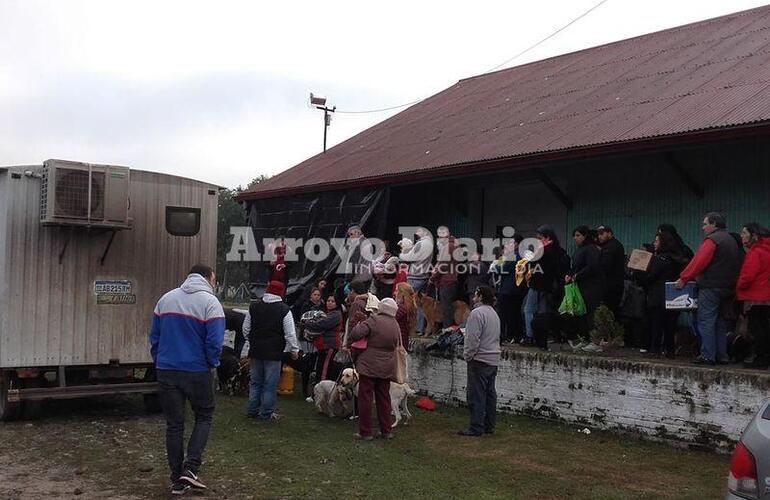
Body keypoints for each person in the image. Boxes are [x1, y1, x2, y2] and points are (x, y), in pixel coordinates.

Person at [149, 264, 225, 495]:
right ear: (207, 277)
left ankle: (176, 479)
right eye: (214, 278)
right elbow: (214, 342)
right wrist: (212, 363)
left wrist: (159, 359)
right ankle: (190, 468)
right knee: (204, 416)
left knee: (174, 424)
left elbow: (154, 336)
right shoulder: (211, 303)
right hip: (197, 370)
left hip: (166, 369)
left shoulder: (166, 299)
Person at [675, 212, 744, 365]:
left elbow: (699, 261)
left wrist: (683, 278)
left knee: (705, 321)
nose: (703, 227)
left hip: (711, 286)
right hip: (728, 288)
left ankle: (707, 355)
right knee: (719, 322)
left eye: (705, 224)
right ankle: (722, 355)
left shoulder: (712, 240)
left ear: (714, 224)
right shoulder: (731, 240)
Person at [243, 280, 300, 419]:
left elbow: (246, 328)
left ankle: (252, 411)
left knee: (255, 383)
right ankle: (266, 413)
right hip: (274, 353)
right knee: (270, 385)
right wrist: (294, 350)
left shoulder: (254, 306)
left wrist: (251, 341)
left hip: (256, 351)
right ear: (281, 292)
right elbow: (290, 333)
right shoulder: (284, 309)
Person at [349, 297, 400, 440]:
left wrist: (360, 324)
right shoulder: (395, 324)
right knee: (384, 399)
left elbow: (355, 334)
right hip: (387, 365)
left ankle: (365, 432)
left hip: (369, 364)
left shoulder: (374, 320)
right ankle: (386, 430)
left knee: (365, 398)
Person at [458, 285, 501, 437]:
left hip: (480, 358)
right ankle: (489, 425)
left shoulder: (477, 313)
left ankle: (476, 427)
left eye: (476, 295)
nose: (473, 297)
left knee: (477, 394)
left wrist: (468, 355)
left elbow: (472, 338)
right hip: (493, 358)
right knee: (490, 394)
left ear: (481, 296)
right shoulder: (494, 314)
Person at [637, 233, 684, 357]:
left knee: (656, 323)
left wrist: (639, 274)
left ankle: (655, 350)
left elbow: (651, 277)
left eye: (657, 241)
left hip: (658, 295)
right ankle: (670, 350)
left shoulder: (659, 259)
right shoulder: (677, 258)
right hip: (674, 296)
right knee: (670, 325)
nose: (654, 243)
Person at [523, 225, 570, 347]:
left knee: (528, 310)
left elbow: (532, 263)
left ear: (547, 237)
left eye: (539, 238)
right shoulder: (559, 250)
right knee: (544, 312)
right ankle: (545, 336)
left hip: (538, 284)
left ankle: (530, 336)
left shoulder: (543, 250)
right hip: (550, 286)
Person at [736, 223, 770, 369]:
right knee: (765, 327)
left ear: (754, 235)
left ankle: (760, 358)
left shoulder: (755, 252)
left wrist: (739, 287)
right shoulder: (767, 251)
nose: (741, 236)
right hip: (766, 296)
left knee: (756, 329)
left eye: (744, 233)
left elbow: (747, 276)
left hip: (755, 296)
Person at [566, 226, 605, 339]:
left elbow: (592, 266)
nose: (575, 238)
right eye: (574, 235)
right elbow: (575, 266)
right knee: (580, 312)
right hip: (580, 286)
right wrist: (569, 274)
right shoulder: (579, 249)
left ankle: (595, 340)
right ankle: (584, 337)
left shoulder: (591, 249)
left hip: (591, 286)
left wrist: (578, 275)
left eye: (578, 235)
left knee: (590, 312)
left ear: (585, 236)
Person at [400, 229, 434, 334]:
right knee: (421, 305)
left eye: (419, 230)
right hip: (424, 276)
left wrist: (401, 255)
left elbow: (410, 257)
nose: (416, 232)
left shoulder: (420, 243)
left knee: (409, 303)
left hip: (415, 276)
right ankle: (420, 328)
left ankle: (411, 328)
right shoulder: (430, 244)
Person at [304, 294, 344, 380]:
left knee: (324, 371)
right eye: (328, 301)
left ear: (337, 303)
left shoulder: (336, 315)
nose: (329, 303)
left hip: (329, 346)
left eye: (332, 301)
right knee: (319, 368)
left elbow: (321, 324)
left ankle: (322, 389)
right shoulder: (328, 313)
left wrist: (307, 323)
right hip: (323, 346)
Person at [497, 236, 527, 343]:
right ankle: (516, 335)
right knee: (514, 313)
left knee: (506, 314)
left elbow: (500, 269)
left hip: (508, 290)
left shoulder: (513, 256)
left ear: (517, 244)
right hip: (517, 290)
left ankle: (508, 336)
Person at [429, 226, 459, 329]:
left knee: (446, 307)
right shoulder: (453, 245)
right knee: (447, 306)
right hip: (450, 280)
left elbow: (443, 265)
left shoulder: (448, 246)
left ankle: (446, 330)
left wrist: (433, 277)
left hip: (447, 281)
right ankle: (446, 328)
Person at [597, 225, 625, 318]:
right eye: (598, 234)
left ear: (609, 233)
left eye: (602, 234)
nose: (599, 236)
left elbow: (604, 266)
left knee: (610, 313)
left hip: (611, 286)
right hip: (614, 285)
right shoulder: (614, 245)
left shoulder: (610, 247)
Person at [394, 282, 418, 348]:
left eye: (396, 290)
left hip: (400, 339)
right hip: (403, 338)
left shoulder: (402, 308)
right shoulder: (409, 306)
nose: (394, 293)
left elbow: (392, 320)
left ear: (402, 293)